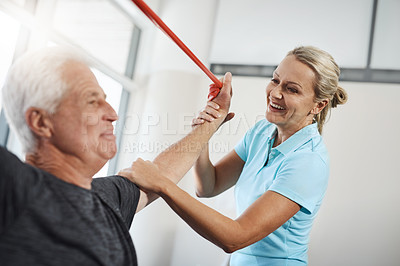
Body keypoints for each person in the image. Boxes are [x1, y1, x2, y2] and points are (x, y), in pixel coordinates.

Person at [0, 46, 233, 265]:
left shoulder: (104, 198)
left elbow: (160, 173)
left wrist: (213, 119)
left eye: (106, 100)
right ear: (41, 122)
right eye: (92, 102)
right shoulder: (15, 190)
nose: (112, 114)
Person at [120, 46, 348, 265]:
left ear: (318, 105)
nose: (275, 93)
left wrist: (162, 183)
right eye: (275, 80)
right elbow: (208, 186)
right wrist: (206, 129)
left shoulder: (307, 162)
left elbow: (235, 237)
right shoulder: (261, 132)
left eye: (292, 89)